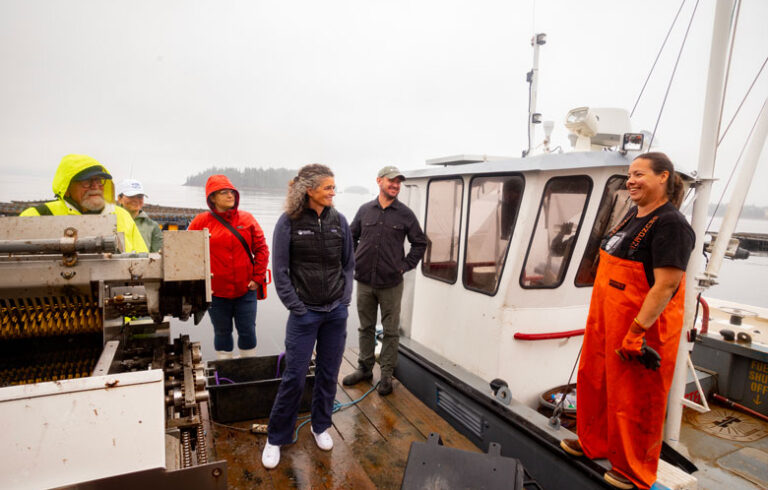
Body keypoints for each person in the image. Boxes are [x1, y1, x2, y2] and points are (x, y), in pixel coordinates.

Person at [560, 152, 695, 490]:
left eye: (640, 174)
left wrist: (637, 331)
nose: (631, 180)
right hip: (607, 321)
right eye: (630, 174)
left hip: (641, 327)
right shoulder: (632, 217)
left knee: (636, 400)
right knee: (596, 382)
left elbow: (666, 284)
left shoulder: (671, 225)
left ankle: (634, 469)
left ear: (663, 177)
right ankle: (595, 443)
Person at [262, 164, 354, 469]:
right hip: (305, 315)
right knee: (294, 376)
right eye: (328, 187)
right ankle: (276, 437)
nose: (333, 192)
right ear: (309, 190)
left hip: (335, 314)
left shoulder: (338, 221)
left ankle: (320, 426)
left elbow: (348, 265)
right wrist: (296, 307)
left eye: (333, 187)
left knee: (329, 374)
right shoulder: (288, 222)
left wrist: (344, 300)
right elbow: (281, 271)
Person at [342, 165, 427, 396]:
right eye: (392, 181)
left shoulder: (405, 214)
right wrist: (357, 257)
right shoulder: (364, 210)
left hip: (391, 283)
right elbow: (350, 237)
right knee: (365, 327)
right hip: (365, 281)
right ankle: (365, 368)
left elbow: (420, 243)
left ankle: (386, 375)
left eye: (398, 182)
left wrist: (405, 265)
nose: (395, 185)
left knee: (390, 330)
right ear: (379, 181)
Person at [188, 175, 269, 359]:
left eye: (231, 191)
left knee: (248, 330)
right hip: (216, 293)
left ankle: (249, 367)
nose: (229, 195)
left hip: (246, 290)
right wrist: (198, 286)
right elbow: (189, 254)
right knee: (222, 332)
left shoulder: (247, 219)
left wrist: (257, 279)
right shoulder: (200, 222)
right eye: (223, 192)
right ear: (212, 198)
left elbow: (262, 249)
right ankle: (225, 371)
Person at [20, 154, 148, 253]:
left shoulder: (121, 216)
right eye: (86, 182)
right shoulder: (37, 216)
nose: (95, 186)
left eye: (99, 180)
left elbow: (143, 259)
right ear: (67, 189)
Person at [117, 179, 163, 252]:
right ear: (119, 198)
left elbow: (158, 255)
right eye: (131, 196)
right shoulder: (111, 221)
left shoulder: (152, 226)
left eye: (140, 196)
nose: (136, 200)